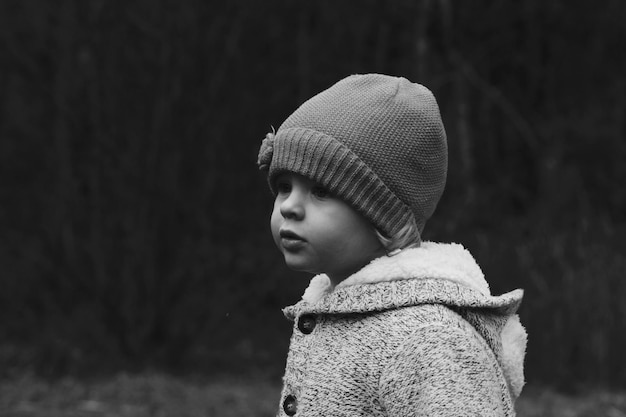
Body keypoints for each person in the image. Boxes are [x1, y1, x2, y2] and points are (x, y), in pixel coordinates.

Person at [257, 73, 527, 416]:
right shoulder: (330, 312)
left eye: (321, 191)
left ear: (381, 215)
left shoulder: (429, 338)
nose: (289, 206)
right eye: (283, 186)